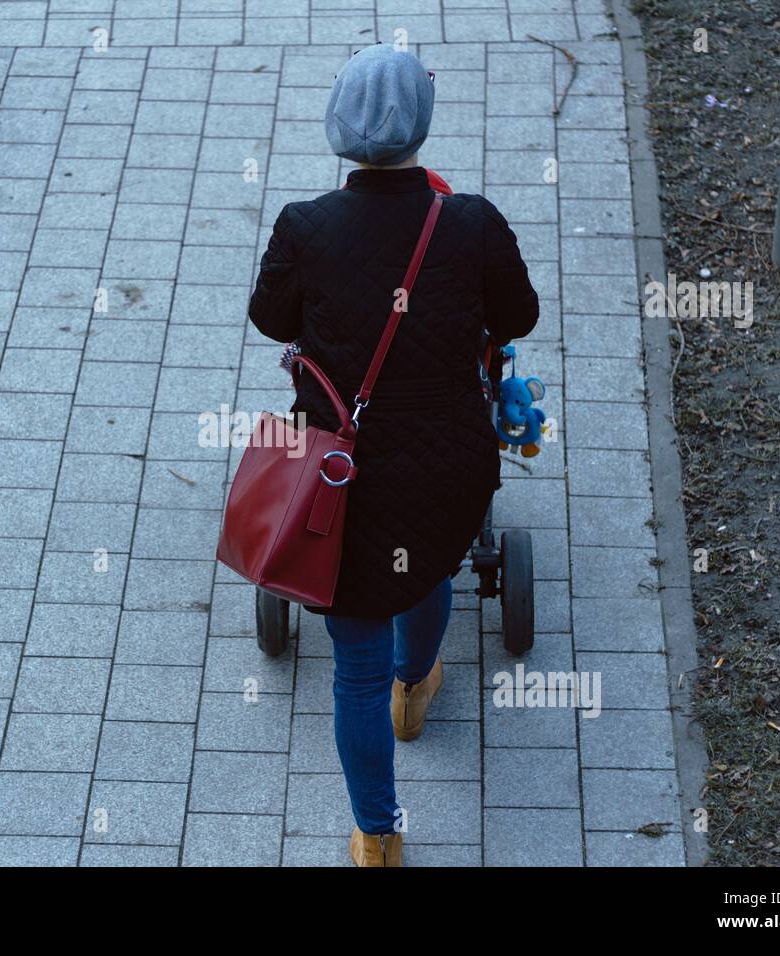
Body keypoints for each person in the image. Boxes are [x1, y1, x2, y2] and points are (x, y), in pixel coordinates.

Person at [247, 43, 540, 867]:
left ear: (338, 127)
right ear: (423, 125)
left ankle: (378, 836)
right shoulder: (471, 220)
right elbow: (519, 313)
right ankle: (418, 686)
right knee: (430, 568)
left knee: (352, 671)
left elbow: (271, 321)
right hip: (450, 463)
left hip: (340, 478)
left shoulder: (305, 226)